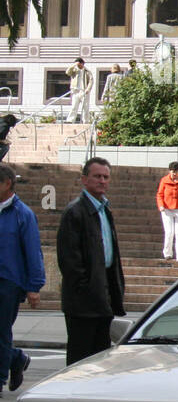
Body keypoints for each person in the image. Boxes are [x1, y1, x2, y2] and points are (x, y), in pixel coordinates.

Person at [56, 157, 125, 366]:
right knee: (80, 359)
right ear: (84, 180)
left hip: (103, 297)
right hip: (83, 301)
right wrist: (85, 289)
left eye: (106, 177)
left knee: (100, 359)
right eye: (97, 176)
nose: (102, 181)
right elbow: (70, 261)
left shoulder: (104, 209)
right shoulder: (75, 211)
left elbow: (110, 255)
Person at [0, 165, 43, 393]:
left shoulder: (22, 214)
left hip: (9, 281)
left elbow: (33, 250)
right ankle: (16, 358)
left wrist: (34, 286)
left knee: (1, 330)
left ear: (7, 184)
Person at [65, 58, 93, 123]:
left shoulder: (87, 71)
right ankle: (70, 120)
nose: (77, 66)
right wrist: (73, 65)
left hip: (84, 91)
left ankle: (86, 121)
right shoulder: (74, 70)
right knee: (74, 106)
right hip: (75, 91)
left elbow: (91, 81)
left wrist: (88, 89)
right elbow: (67, 72)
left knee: (85, 107)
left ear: (82, 63)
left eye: (78, 64)